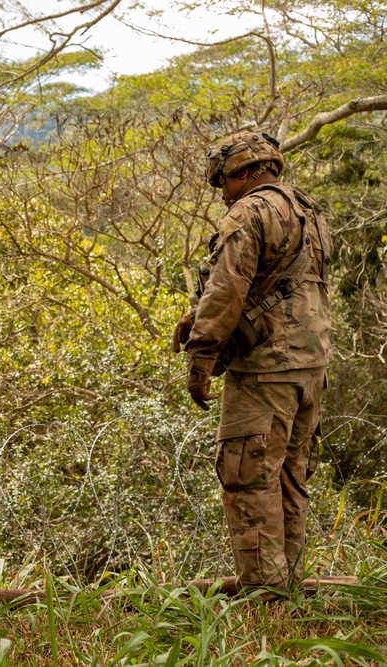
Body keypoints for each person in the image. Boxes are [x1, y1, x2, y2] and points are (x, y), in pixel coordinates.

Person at [177, 130, 332, 593]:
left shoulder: (248, 212)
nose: (222, 193)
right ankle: (290, 588)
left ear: (243, 171)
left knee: (248, 482)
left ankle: (266, 601)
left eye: (222, 181)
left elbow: (226, 291)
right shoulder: (311, 212)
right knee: (288, 480)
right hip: (310, 366)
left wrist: (201, 361)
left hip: (265, 368)